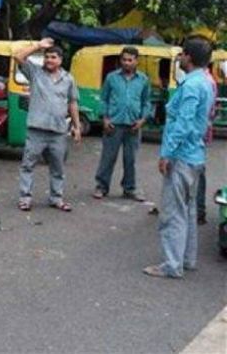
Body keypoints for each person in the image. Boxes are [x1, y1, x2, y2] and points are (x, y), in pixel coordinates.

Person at [143, 38, 215, 279]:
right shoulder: (205, 81)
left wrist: (167, 153)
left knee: (173, 212)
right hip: (195, 155)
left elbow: (183, 122)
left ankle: (172, 264)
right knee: (188, 210)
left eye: (182, 54)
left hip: (182, 156)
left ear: (189, 57)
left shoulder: (192, 85)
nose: (180, 58)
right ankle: (186, 259)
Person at [14, 38, 82, 212]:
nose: (49, 60)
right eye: (47, 57)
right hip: (36, 129)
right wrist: (38, 46)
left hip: (58, 131)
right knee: (28, 165)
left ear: (61, 60)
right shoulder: (35, 73)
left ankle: (56, 198)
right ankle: (25, 198)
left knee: (58, 167)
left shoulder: (68, 79)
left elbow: (73, 103)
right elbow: (18, 57)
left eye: (53, 57)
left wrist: (76, 126)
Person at [92, 47, 151, 201]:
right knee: (108, 157)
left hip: (133, 126)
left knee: (131, 159)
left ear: (136, 61)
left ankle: (129, 188)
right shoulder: (111, 78)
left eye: (130, 60)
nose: (126, 63)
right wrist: (105, 118)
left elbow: (146, 102)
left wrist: (142, 120)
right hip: (113, 125)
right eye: (124, 60)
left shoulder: (143, 80)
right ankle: (101, 186)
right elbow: (104, 99)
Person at [195, 65, 218, 225]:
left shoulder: (202, 82)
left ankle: (198, 210)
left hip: (196, 136)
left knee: (196, 172)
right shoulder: (205, 80)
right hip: (200, 134)